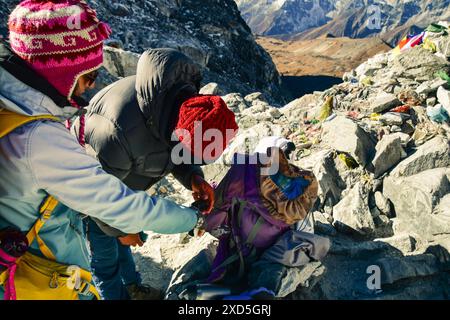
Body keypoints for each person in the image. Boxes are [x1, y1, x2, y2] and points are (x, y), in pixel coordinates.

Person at [0, 0, 201, 300]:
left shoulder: (12, 106)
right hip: (42, 271)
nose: (90, 87)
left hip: (19, 247)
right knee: (105, 266)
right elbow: (118, 203)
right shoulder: (40, 139)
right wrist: (192, 218)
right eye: (88, 75)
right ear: (59, 72)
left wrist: (192, 175)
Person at [72, 48, 239, 300]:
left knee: (125, 238)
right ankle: (113, 295)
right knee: (105, 253)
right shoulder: (117, 131)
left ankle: (132, 287)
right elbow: (98, 197)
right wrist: (119, 230)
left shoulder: (180, 111)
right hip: (92, 185)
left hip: (128, 176)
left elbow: (176, 153)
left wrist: (194, 177)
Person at [166, 143, 330, 300]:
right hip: (271, 262)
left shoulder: (243, 176)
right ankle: (258, 291)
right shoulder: (300, 195)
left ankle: (207, 293)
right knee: (284, 261)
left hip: (238, 253)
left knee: (216, 272)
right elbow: (301, 236)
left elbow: (215, 214)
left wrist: (200, 219)